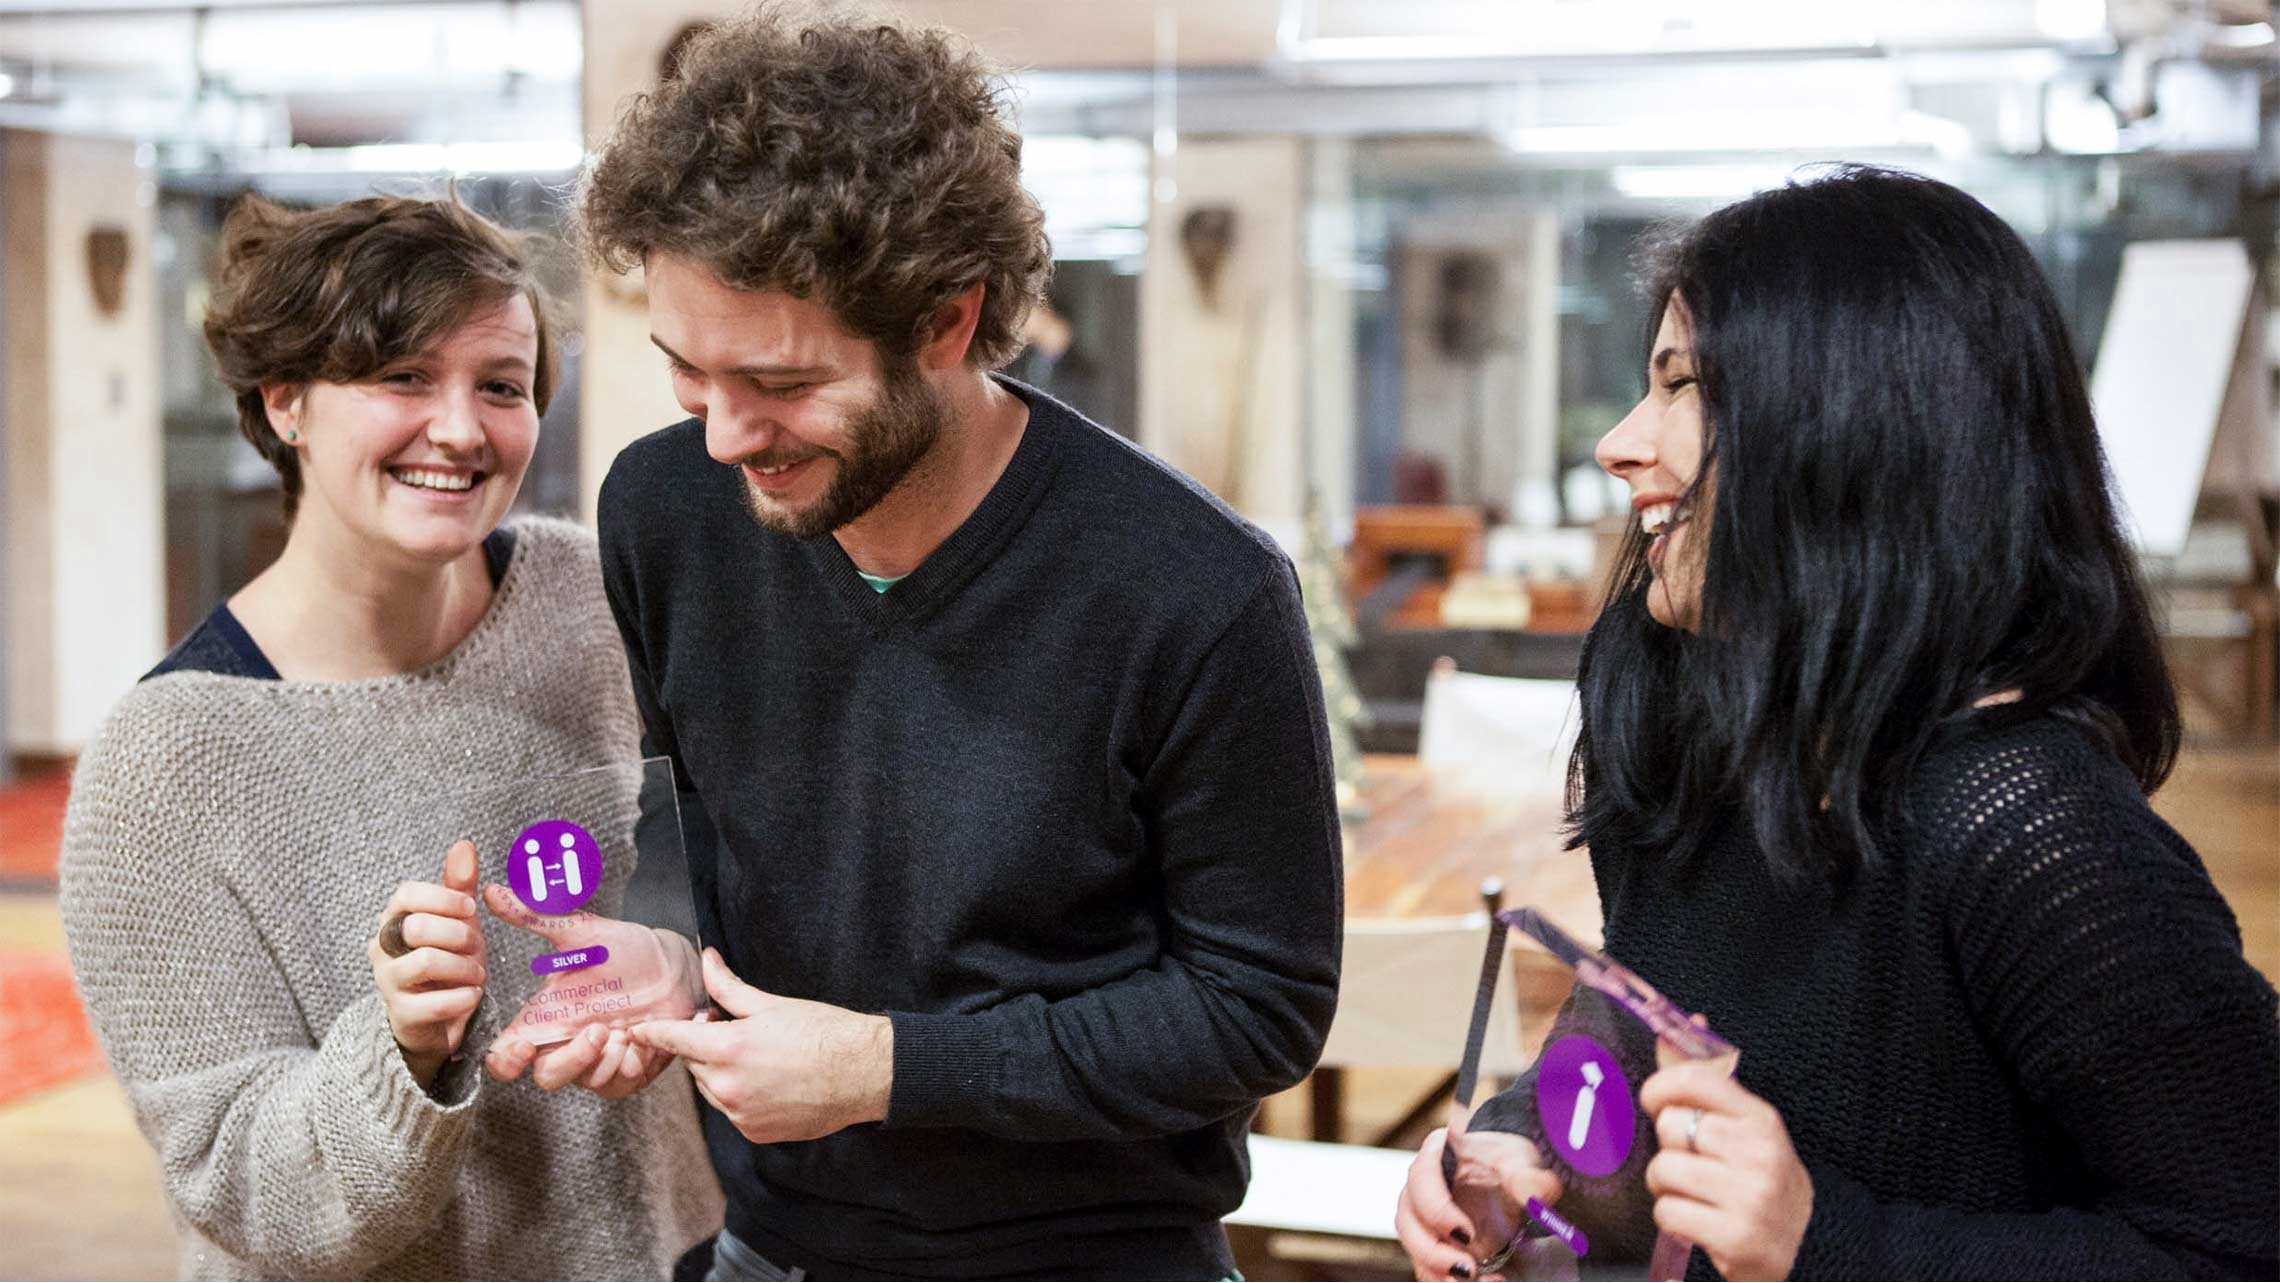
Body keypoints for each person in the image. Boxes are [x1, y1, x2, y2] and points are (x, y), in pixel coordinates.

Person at [565, 10, 1344, 1280]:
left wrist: (889, 1067)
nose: (723, 434)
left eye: (779, 382)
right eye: (687, 371)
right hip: (772, 1247)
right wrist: (666, 959)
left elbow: (1257, 1007)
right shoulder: (664, 514)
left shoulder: (1196, 591)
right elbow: (698, 824)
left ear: (946, 318)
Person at [1395, 166, 2280, 1281]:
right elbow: (1641, 1037)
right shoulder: (1691, 717)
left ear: (1852, 434)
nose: (1621, 441)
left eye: (1682, 387)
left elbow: (2238, 1246)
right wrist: (1526, 1152)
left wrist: (1827, 1245)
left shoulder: (2029, 830)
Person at [59, 193, 722, 1280]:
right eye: (402, 377)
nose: (460, 428)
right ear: (286, 403)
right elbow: (238, 1182)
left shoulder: (591, 600)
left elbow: (718, 869)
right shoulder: (163, 767)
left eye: (500, 386)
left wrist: (679, 974)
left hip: (661, 1253)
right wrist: (405, 1045)